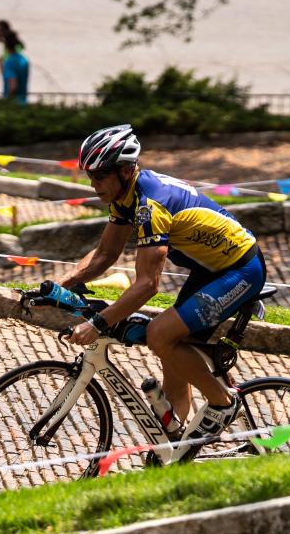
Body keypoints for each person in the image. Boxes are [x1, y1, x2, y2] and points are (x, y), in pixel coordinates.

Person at [60, 124, 265, 440]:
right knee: (173, 345)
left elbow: (147, 285)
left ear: (126, 171)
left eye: (100, 176)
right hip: (211, 271)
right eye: (90, 177)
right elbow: (104, 255)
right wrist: (60, 284)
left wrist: (98, 324)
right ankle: (177, 444)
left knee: (159, 334)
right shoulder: (125, 196)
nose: (93, 184)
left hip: (240, 269)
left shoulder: (151, 204)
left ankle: (223, 403)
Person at [0, 22, 29, 103]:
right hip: (23, 101)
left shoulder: (9, 61)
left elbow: (13, 86)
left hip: (13, 102)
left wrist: (6, 100)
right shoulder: (24, 59)